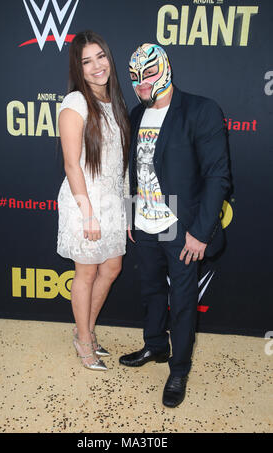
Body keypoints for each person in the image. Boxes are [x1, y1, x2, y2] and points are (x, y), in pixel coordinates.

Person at [119, 43, 230, 407]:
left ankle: (179, 368)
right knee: (151, 291)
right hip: (145, 221)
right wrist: (131, 213)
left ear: (165, 68)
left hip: (179, 223)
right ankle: (155, 346)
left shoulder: (200, 110)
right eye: (135, 78)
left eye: (148, 74)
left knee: (182, 301)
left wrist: (199, 232)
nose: (142, 85)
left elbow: (218, 177)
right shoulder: (136, 114)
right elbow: (135, 169)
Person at [57, 31, 129, 371]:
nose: (97, 66)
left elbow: (121, 162)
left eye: (100, 56)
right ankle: (85, 340)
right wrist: (87, 213)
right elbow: (72, 164)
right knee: (85, 273)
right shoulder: (75, 103)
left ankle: (82, 329)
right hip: (84, 201)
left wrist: (126, 209)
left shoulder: (114, 101)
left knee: (111, 268)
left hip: (113, 202)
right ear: (78, 67)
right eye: (87, 61)